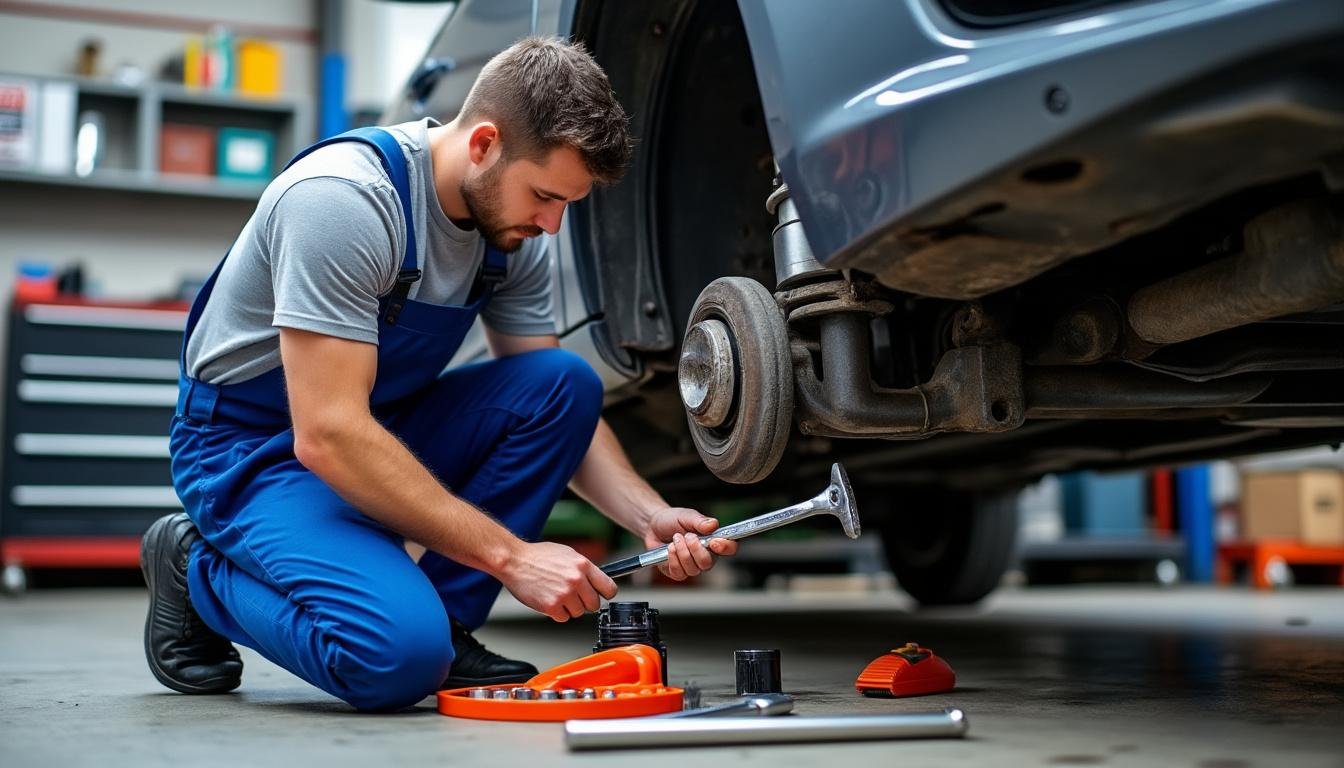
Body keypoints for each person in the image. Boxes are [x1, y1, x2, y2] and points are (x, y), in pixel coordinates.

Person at [141, 36, 737, 712]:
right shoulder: (344, 202)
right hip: (253, 450)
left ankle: (445, 626)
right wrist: (513, 557)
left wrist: (648, 515)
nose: (550, 223)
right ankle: (197, 569)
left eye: (567, 204)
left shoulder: (511, 232)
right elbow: (328, 434)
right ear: (483, 144)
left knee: (562, 383)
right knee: (392, 660)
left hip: (377, 424)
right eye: (544, 195)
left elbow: (549, 402)